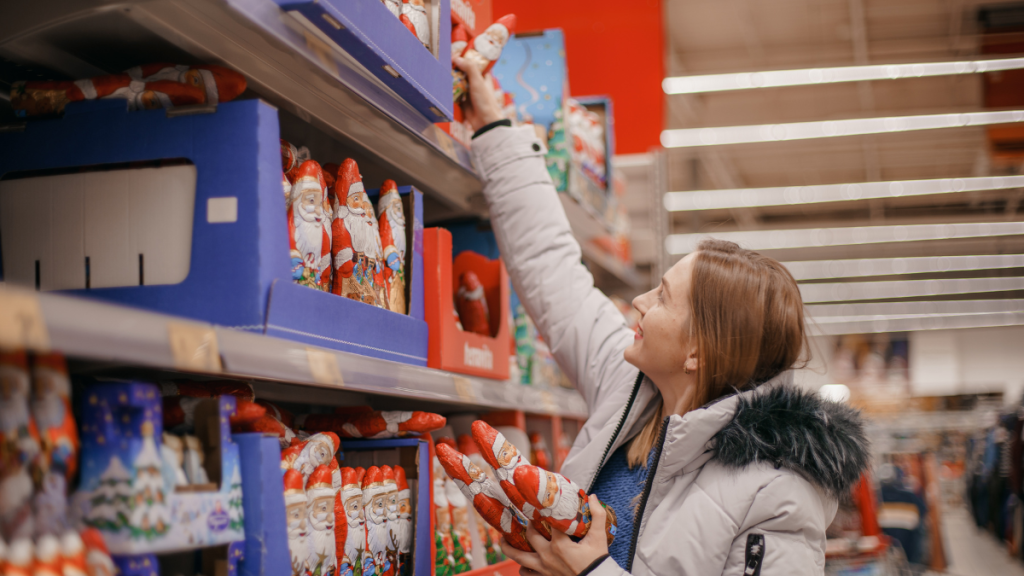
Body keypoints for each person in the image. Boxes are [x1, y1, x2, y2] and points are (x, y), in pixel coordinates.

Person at [453, 56, 871, 576]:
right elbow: (551, 269)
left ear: (698, 351)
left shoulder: (779, 492)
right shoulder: (630, 388)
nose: (639, 302)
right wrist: (496, 130)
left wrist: (591, 571)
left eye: (664, 298)